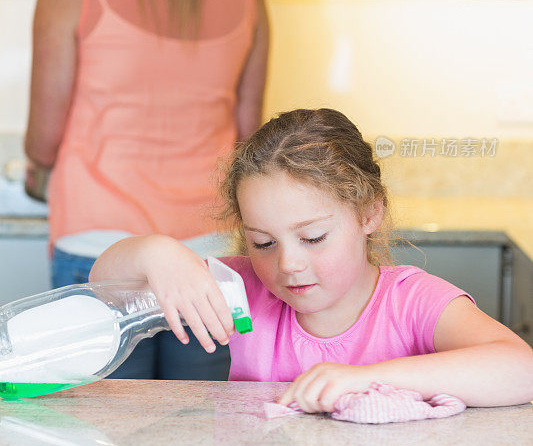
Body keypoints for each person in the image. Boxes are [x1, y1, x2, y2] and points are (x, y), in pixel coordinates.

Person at [23, 0, 269, 381]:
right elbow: (252, 135)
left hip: (99, 249)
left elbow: (42, 140)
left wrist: (37, 169)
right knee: (200, 440)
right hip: (210, 253)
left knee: (103, 442)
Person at [89, 108, 533, 409]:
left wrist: (364, 380)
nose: (288, 265)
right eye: (263, 243)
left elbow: (522, 369)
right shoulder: (242, 290)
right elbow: (104, 289)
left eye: (314, 237)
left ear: (368, 212)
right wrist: (154, 252)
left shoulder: (411, 301)